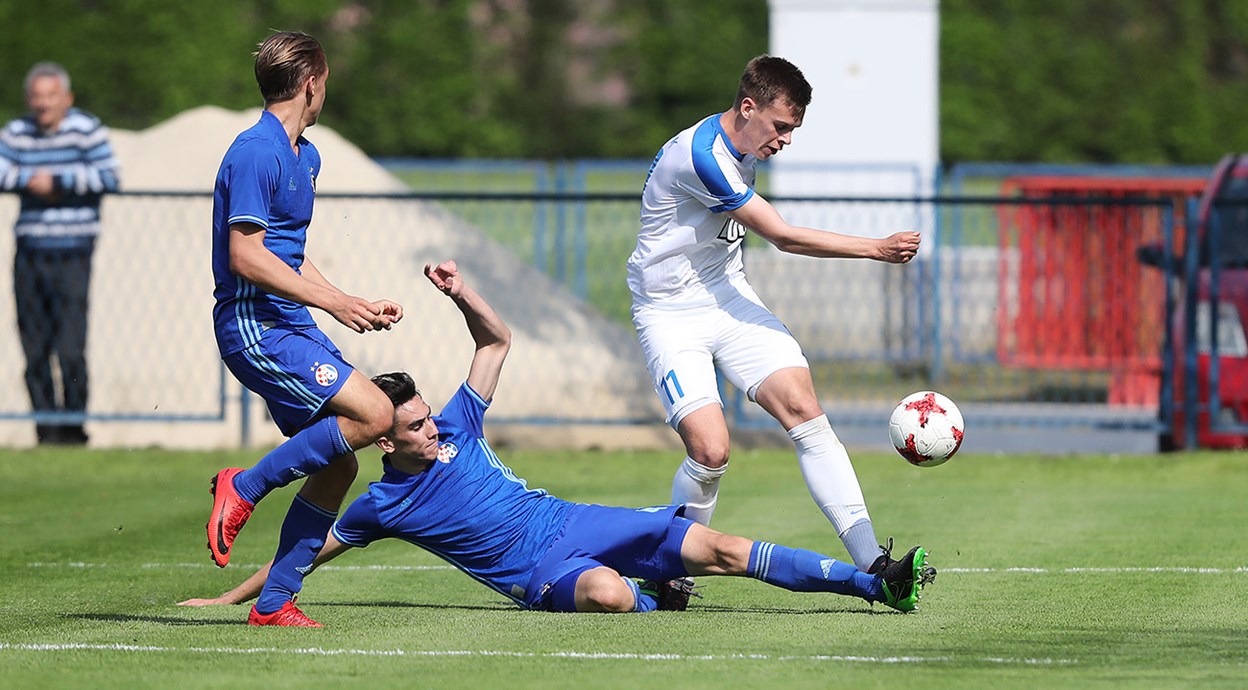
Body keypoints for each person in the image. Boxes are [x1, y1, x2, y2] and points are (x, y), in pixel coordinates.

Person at [180, 260, 935, 624]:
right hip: (538, 572)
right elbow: (308, 553)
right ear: (386, 442)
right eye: (412, 426)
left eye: (424, 416)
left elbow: (496, 342)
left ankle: (876, 583)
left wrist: (462, 292)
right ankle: (649, 594)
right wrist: (237, 592)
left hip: (575, 521)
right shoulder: (380, 503)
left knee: (724, 549)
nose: (429, 426)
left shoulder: (459, 423)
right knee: (610, 595)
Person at [626, 55, 924, 573]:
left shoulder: (743, 142)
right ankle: (667, 568)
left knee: (803, 408)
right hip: (669, 313)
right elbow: (782, 236)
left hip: (726, 295)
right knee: (711, 451)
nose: (785, 139)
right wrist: (876, 248)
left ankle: (875, 564)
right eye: (781, 126)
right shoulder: (702, 156)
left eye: (792, 129)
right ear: (747, 107)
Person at [205, 30, 402, 626]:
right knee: (375, 414)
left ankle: (273, 602)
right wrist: (334, 305)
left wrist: (346, 299)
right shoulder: (255, 151)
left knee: (340, 463)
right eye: (326, 84)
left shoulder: (305, 155)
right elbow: (247, 257)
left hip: (287, 319)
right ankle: (243, 485)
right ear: (312, 83)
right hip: (253, 324)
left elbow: (286, 256)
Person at [0, 62, 120, 445]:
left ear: (66, 98)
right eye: (36, 96)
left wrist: (60, 181)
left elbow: (110, 177)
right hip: (30, 252)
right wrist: (29, 181)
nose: (42, 103)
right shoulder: (17, 132)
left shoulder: (87, 129)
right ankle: (46, 432)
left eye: (50, 96)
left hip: (73, 253)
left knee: (70, 348)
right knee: (34, 349)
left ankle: (72, 430)